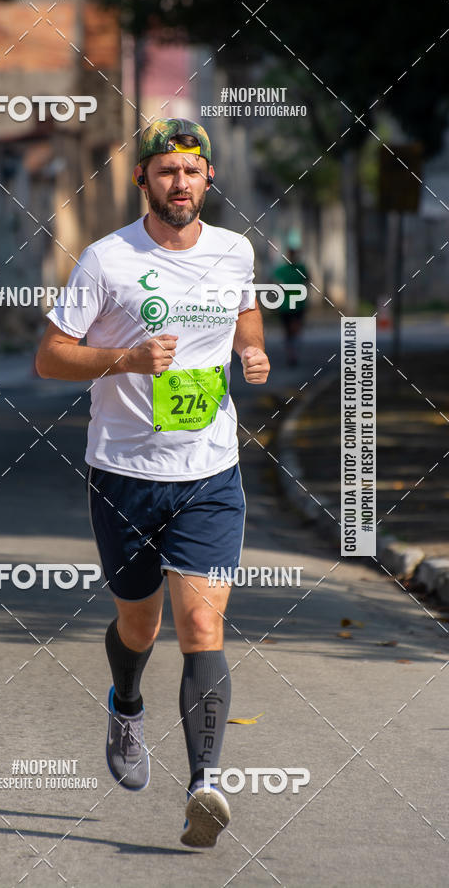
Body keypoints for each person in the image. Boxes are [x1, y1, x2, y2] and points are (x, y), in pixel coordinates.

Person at [35, 118, 270, 847]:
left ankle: (204, 784)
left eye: (192, 172)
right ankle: (126, 703)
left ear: (208, 180)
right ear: (143, 180)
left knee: (204, 624)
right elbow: (50, 357)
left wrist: (254, 353)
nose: (181, 183)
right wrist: (124, 360)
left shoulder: (235, 250)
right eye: (166, 171)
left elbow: (246, 314)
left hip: (209, 471)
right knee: (141, 624)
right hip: (125, 473)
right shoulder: (106, 260)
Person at [271, 232, 309, 366]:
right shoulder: (281, 269)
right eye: (290, 252)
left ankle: (294, 352)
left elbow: (308, 282)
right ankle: (291, 355)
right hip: (285, 306)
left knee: (296, 329)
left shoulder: (301, 268)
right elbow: (274, 284)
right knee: (287, 332)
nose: (292, 255)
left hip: (299, 306)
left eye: (294, 252)